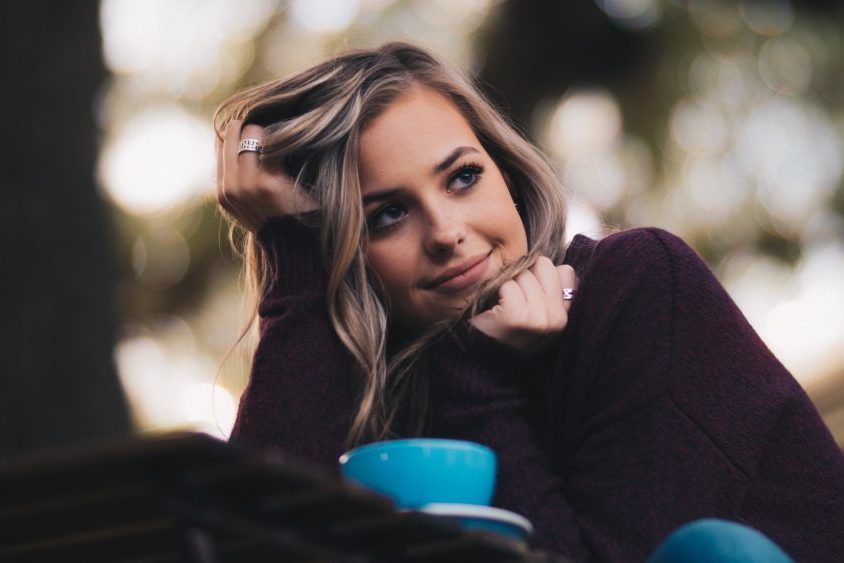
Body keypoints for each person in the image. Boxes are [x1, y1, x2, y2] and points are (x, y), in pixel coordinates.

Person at [214, 42, 844, 561]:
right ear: (342, 254)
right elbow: (245, 546)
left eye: (463, 177)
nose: (446, 232)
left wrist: (479, 379)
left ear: (507, 175)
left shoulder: (637, 288)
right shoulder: (381, 410)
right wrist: (294, 268)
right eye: (387, 215)